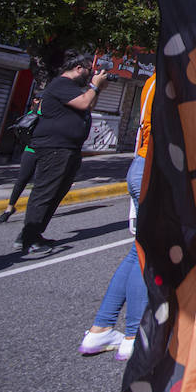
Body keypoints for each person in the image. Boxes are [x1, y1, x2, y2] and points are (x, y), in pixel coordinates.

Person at [79, 73, 155, 360]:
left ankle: (101, 330)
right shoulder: (177, 74)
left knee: (138, 252)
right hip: (156, 170)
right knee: (148, 253)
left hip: (141, 165)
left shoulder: (155, 77)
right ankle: (134, 336)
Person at [15, 55, 109, 256]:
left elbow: (88, 106)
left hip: (68, 148)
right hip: (55, 148)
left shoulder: (71, 89)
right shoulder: (61, 84)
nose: (90, 76)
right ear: (78, 68)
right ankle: (28, 238)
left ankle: (34, 233)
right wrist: (94, 87)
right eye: (88, 72)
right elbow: (84, 103)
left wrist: (97, 89)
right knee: (45, 192)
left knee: (56, 192)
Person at [0, 94, 41, 224]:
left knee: (39, 183)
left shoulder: (50, 112)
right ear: (35, 100)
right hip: (31, 150)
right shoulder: (32, 114)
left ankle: (33, 211)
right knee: (21, 180)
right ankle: (9, 208)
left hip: (45, 152)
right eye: (39, 99)